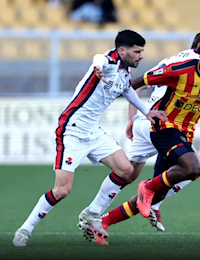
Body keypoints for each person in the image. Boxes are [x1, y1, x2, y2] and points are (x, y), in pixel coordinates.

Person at [12, 29, 168, 247]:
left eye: (142, 51)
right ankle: (25, 229)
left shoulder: (123, 72)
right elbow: (100, 58)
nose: (141, 56)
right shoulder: (107, 61)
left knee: (126, 170)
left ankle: (92, 213)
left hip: (93, 131)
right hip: (72, 130)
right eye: (137, 51)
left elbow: (128, 91)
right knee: (62, 190)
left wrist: (146, 112)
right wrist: (97, 66)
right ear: (122, 50)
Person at [96, 37, 200, 244]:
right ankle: (148, 186)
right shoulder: (179, 70)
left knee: (158, 196)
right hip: (163, 126)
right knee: (193, 167)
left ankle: (104, 222)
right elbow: (136, 83)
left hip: (184, 133)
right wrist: (109, 95)